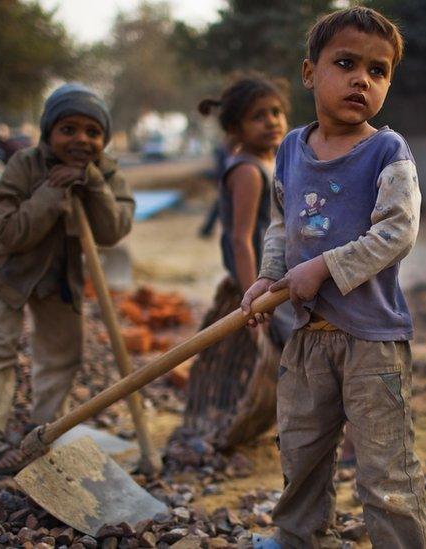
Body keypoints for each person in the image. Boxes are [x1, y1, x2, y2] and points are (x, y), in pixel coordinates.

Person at [241, 7, 426, 547]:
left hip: (372, 339)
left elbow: (397, 233)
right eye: (345, 63)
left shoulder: (387, 152)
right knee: (301, 451)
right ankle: (297, 537)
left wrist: (324, 266)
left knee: (385, 466)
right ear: (309, 72)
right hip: (309, 338)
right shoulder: (291, 150)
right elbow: (282, 223)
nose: (361, 80)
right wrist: (269, 277)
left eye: (378, 71)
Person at [0, 84, 134, 475]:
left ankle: (41, 432)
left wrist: (93, 183)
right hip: (8, 273)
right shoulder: (24, 165)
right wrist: (51, 190)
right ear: (49, 132)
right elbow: (8, 232)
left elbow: (113, 230)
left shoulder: (107, 171)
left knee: (63, 353)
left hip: (60, 277)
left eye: (92, 132)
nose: (81, 139)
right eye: (69, 129)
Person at [184, 75, 292, 446]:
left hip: (283, 276)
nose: (272, 121)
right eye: (258, 116)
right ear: (236, 129)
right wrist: (254, 300)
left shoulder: (273, 161)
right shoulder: (247, 170)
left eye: (276, 112)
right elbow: (240, 239)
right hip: (263, 281)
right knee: (297, 348)